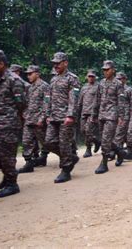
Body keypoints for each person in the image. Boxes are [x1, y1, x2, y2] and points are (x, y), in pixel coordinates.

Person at [0, 50, 25, 197]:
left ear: (1, 64)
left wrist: (13, 117)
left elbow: (21, 103)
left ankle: (12, 184)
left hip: (9, 123)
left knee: (6, 155)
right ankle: (8, 174)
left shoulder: (13, 80)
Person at [45, 52, 81, 183]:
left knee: (64, 144)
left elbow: (74, 99)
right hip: (53, 116)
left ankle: (66, 170)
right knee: (48, 142)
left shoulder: (72, 78)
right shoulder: (53, 79)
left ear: (65, 63)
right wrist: (47, 114)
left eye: (58, 63)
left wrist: (70, 115)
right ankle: (71, 157)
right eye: (54, 64)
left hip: (65, 117)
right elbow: (48, 98)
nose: (55, 66)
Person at [95, 60, 127, 174]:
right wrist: (94, 114)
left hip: (112, 115)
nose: (105, 72)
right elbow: (97, 99)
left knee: (106, 139)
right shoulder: (101, 83)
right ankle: (119, 152)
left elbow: (121, 101)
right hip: (102, 114)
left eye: (107, 69)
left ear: (113, 70)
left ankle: (104, 163)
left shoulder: (118, 84)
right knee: (104, 138)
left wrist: (121, 116)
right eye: (103, 70)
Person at [18, 65, 49, 173]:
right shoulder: (29, 88)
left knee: (47, 142)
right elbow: (27, 102)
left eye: (30, 73)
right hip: (29, 119)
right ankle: (28, 163)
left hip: (39, 120)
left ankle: (66, 156)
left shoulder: (44, 86)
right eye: (27, 74)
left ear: (37, 73)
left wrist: (42, 118)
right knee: (26, 141)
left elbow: (47, 103)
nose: (28, 76)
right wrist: (25, 113)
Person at [78, 69, 101, 158]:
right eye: (89, 76)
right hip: (84, 112)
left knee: (88, 131)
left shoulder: (98, 87)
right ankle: (96, 141)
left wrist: (97, 113)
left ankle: (88, 149)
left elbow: (100, 100)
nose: (90, 78)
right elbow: (80, 101)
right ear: (87, 77)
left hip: (93, 113)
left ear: (95, 77)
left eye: (92, 76)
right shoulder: (84, 87)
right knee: (82, 130)